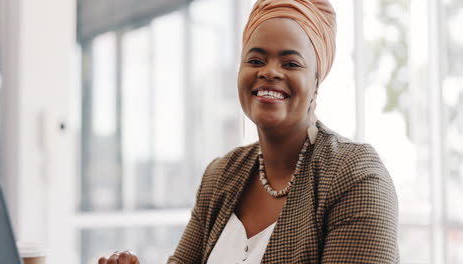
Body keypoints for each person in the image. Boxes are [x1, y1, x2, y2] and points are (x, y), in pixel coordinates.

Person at [98, 0, 399, 263]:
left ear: (316, 82)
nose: (269, 71)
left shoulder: (355, 176)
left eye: (291, 63)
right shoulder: (220, 176)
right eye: (255, 60)